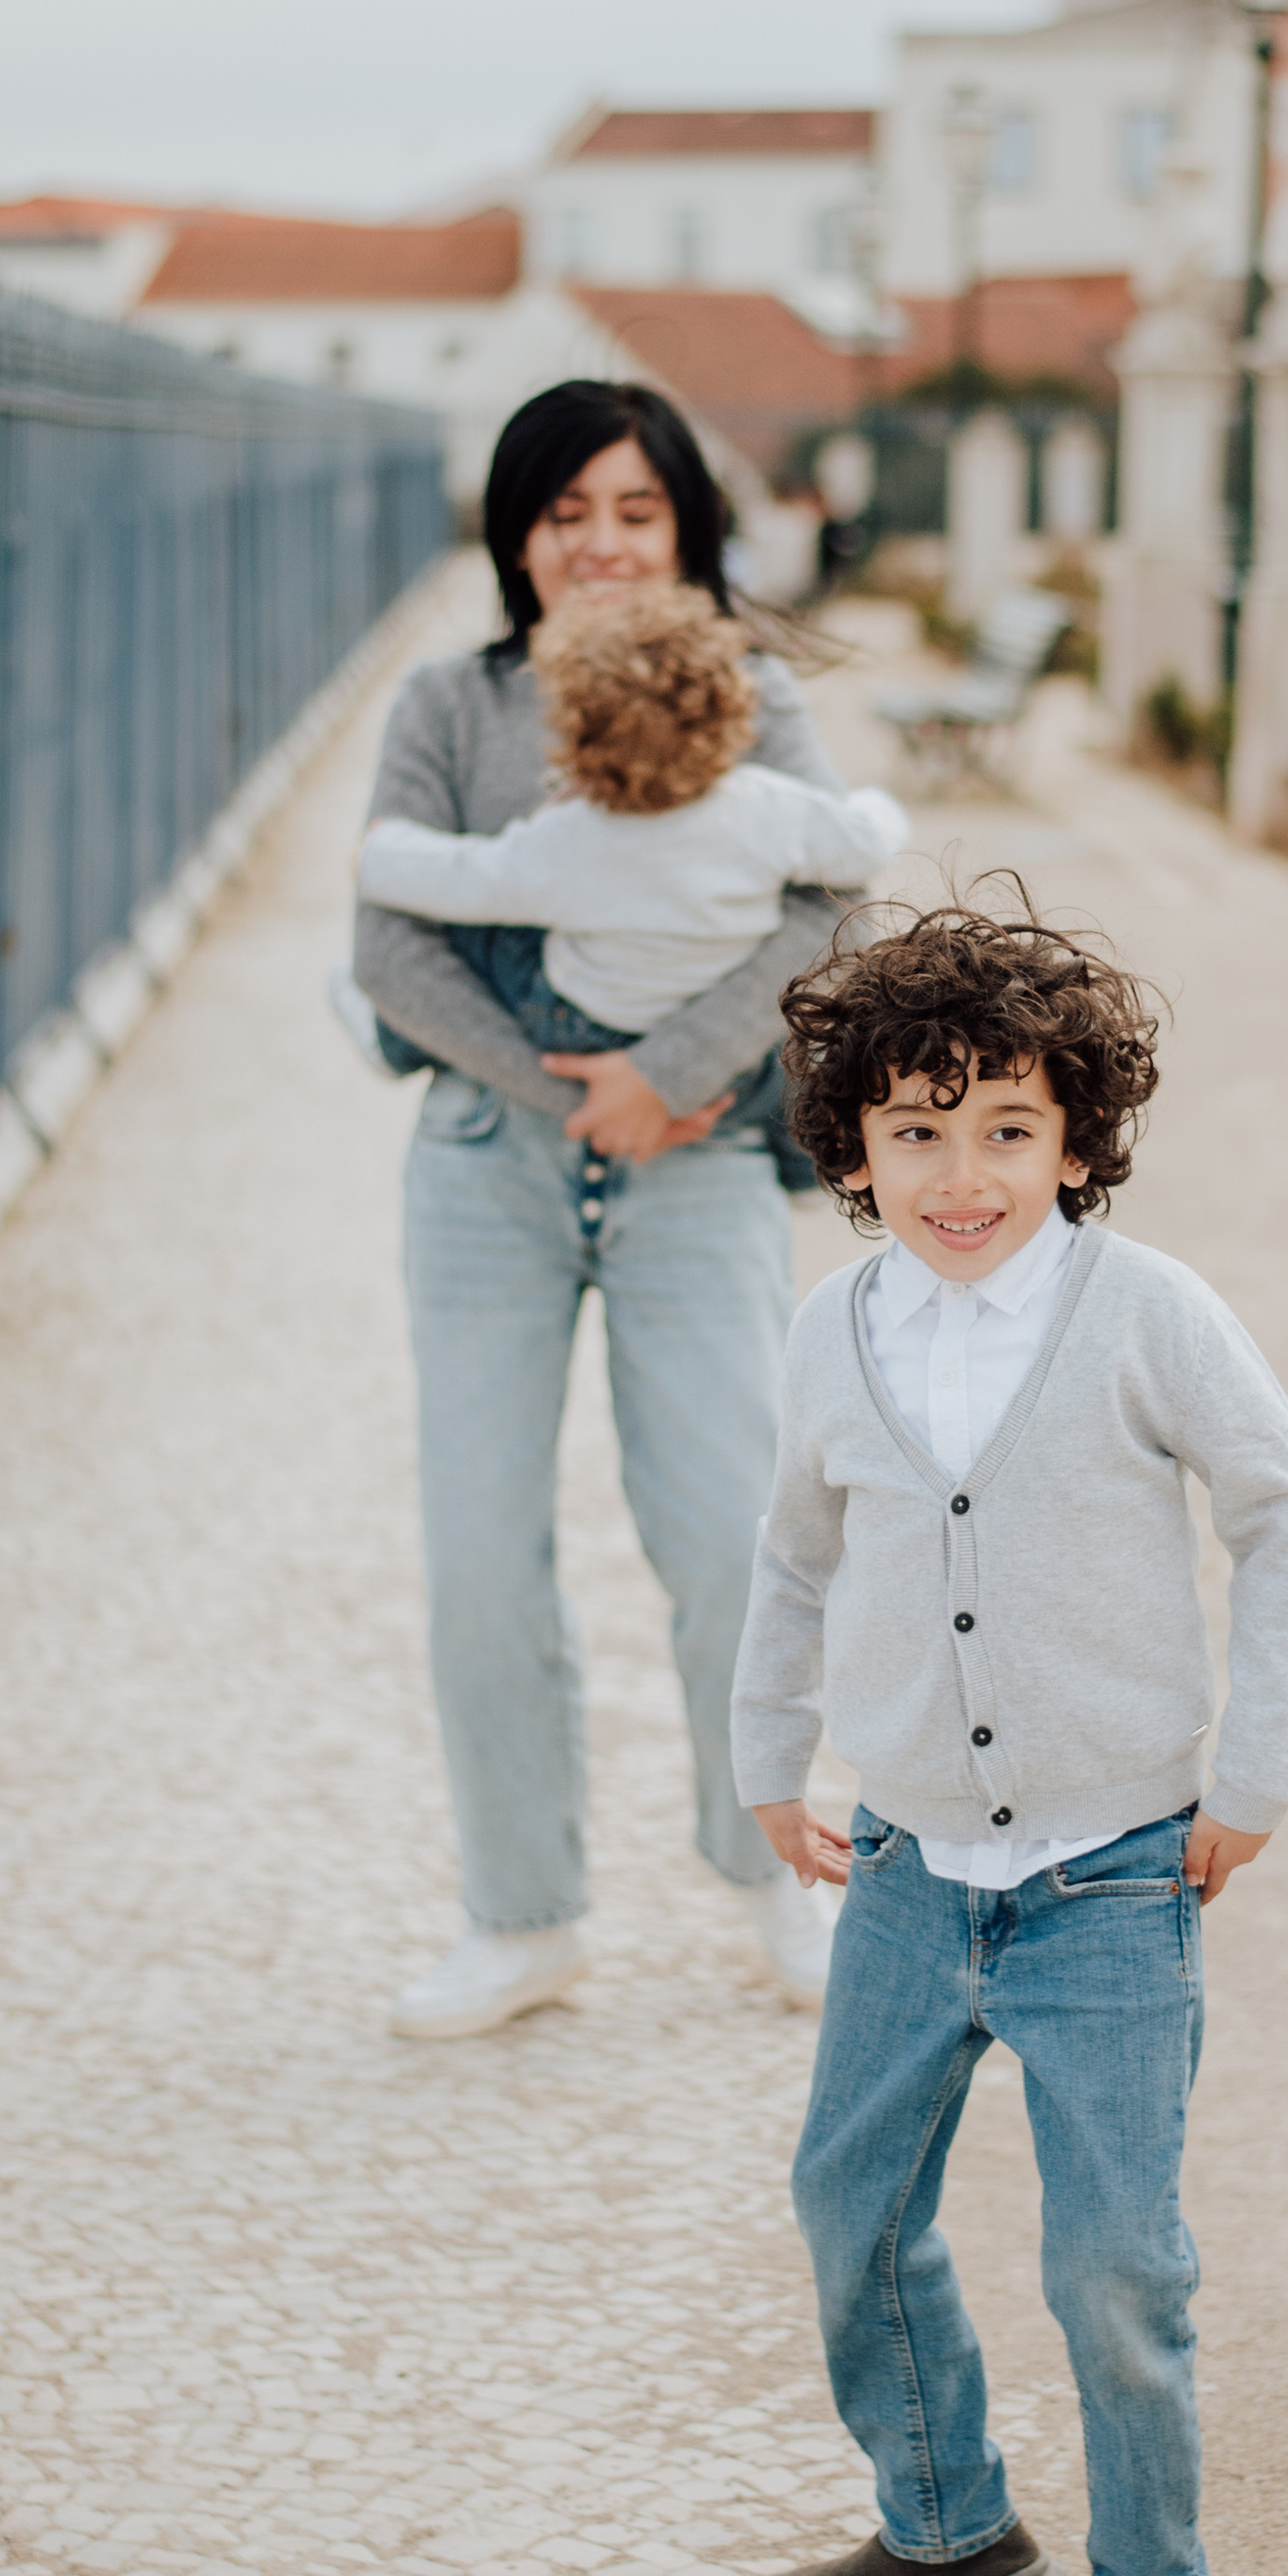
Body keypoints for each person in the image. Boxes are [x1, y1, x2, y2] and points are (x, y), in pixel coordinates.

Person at [728, 904, 1288, 2576]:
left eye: (1007, 1123)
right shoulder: (836, 1324)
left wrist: (1256, 1765)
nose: (961, 1170)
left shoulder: (1145, 1309)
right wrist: (768, 1748)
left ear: (1078, 1135)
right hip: (911, 1872)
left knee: (1113, 2264)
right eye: (915, 1128)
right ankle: (949, 2528)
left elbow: (1283, 1509)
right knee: (853, 2204)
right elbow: (795, 1550)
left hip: (1113, 1882)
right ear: (852, 1153)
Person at [354, 379, 865, 2039]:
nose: (600, 540)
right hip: (487, 1172)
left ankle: (774, 1874)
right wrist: (558, 1079)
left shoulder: (756, 693)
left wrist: (668, 1075)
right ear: (516, 531)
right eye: (564, 509)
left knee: (732, 1533)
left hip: (699, 1161)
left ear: (687, 526)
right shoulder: (448, 700)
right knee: (479, 1555)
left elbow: (824, 910)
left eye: (634, 507)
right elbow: (390, 939)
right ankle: (521, 1916)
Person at [352, 582, 906, 1182]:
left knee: (483, 934)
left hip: (576, 1027)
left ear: (572, 734)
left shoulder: (564, 837)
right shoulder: (771, 810)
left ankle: (391, 1036)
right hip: (698, 1015)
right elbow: (865, 844)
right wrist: (876, 804)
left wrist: (380, 852)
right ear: (730, 707)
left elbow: (463, 877)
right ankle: (801, 1160)